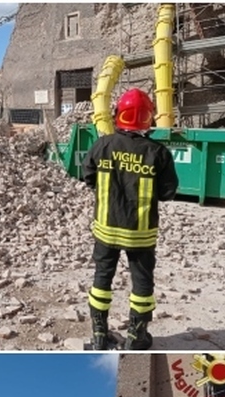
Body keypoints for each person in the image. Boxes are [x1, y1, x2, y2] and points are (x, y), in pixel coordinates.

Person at [81, 88, 179, 350]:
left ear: (118, 115)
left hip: (106, 230)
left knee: (103, 277)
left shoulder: (104, 145)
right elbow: (169, 192)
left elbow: (87, 176)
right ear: (149, 118)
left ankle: (99, 335)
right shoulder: (157, 152)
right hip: (141, 233)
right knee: (142, 280)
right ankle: (137, 336)